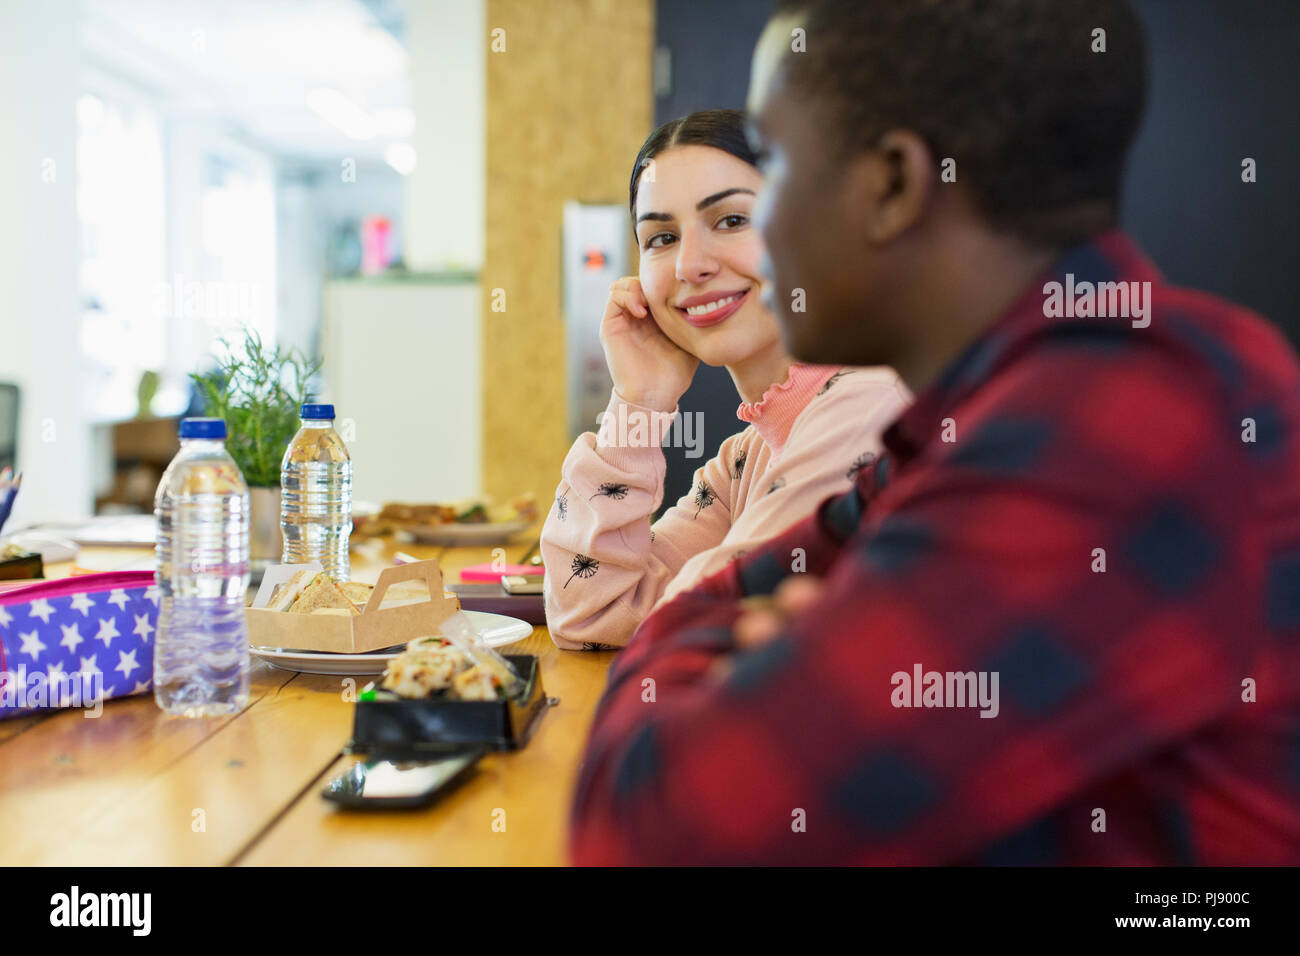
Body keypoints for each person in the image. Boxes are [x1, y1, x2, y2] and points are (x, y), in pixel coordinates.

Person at [570, 0, 1300, 864]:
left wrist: (743, 653)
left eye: (777, 174)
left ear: (890, 186)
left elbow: (653, 825)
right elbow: (697, 606)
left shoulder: (1120, 417)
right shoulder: (968, 420)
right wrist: (734, 644)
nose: (733, 246)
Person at [541, 109, 909, 650]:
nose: (690, 264)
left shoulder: (868, 407)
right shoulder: (748, 454)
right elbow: (592, 615)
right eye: (661, 237)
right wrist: (639, 401)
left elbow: (679, 629)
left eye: (732, 221)